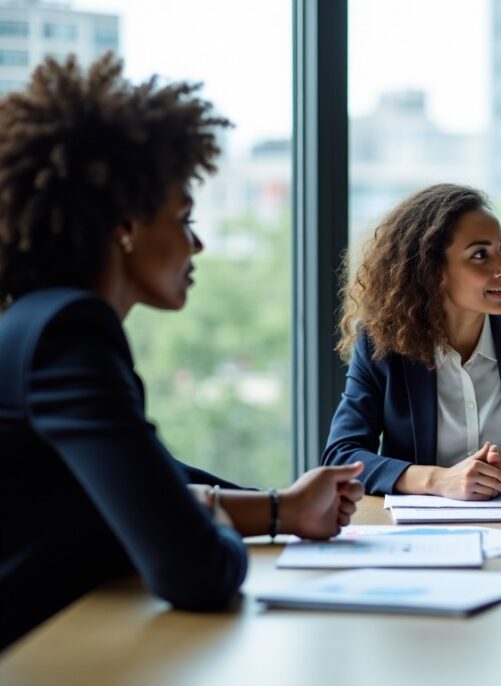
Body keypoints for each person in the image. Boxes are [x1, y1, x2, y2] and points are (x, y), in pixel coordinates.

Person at [0, 55, 365, 651]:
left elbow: (153, 479)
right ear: (126, 225)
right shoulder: (69, 332)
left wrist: (285, 509)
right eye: (184, 218)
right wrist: (213, 520)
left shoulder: (37, 321)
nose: (197, 242)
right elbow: (195, 573)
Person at [321, 184, 501, 499]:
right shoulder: (381, 345)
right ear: (432, 270)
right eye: (481, 255)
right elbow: (342, 455)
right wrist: (438, 481)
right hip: (418, 538)